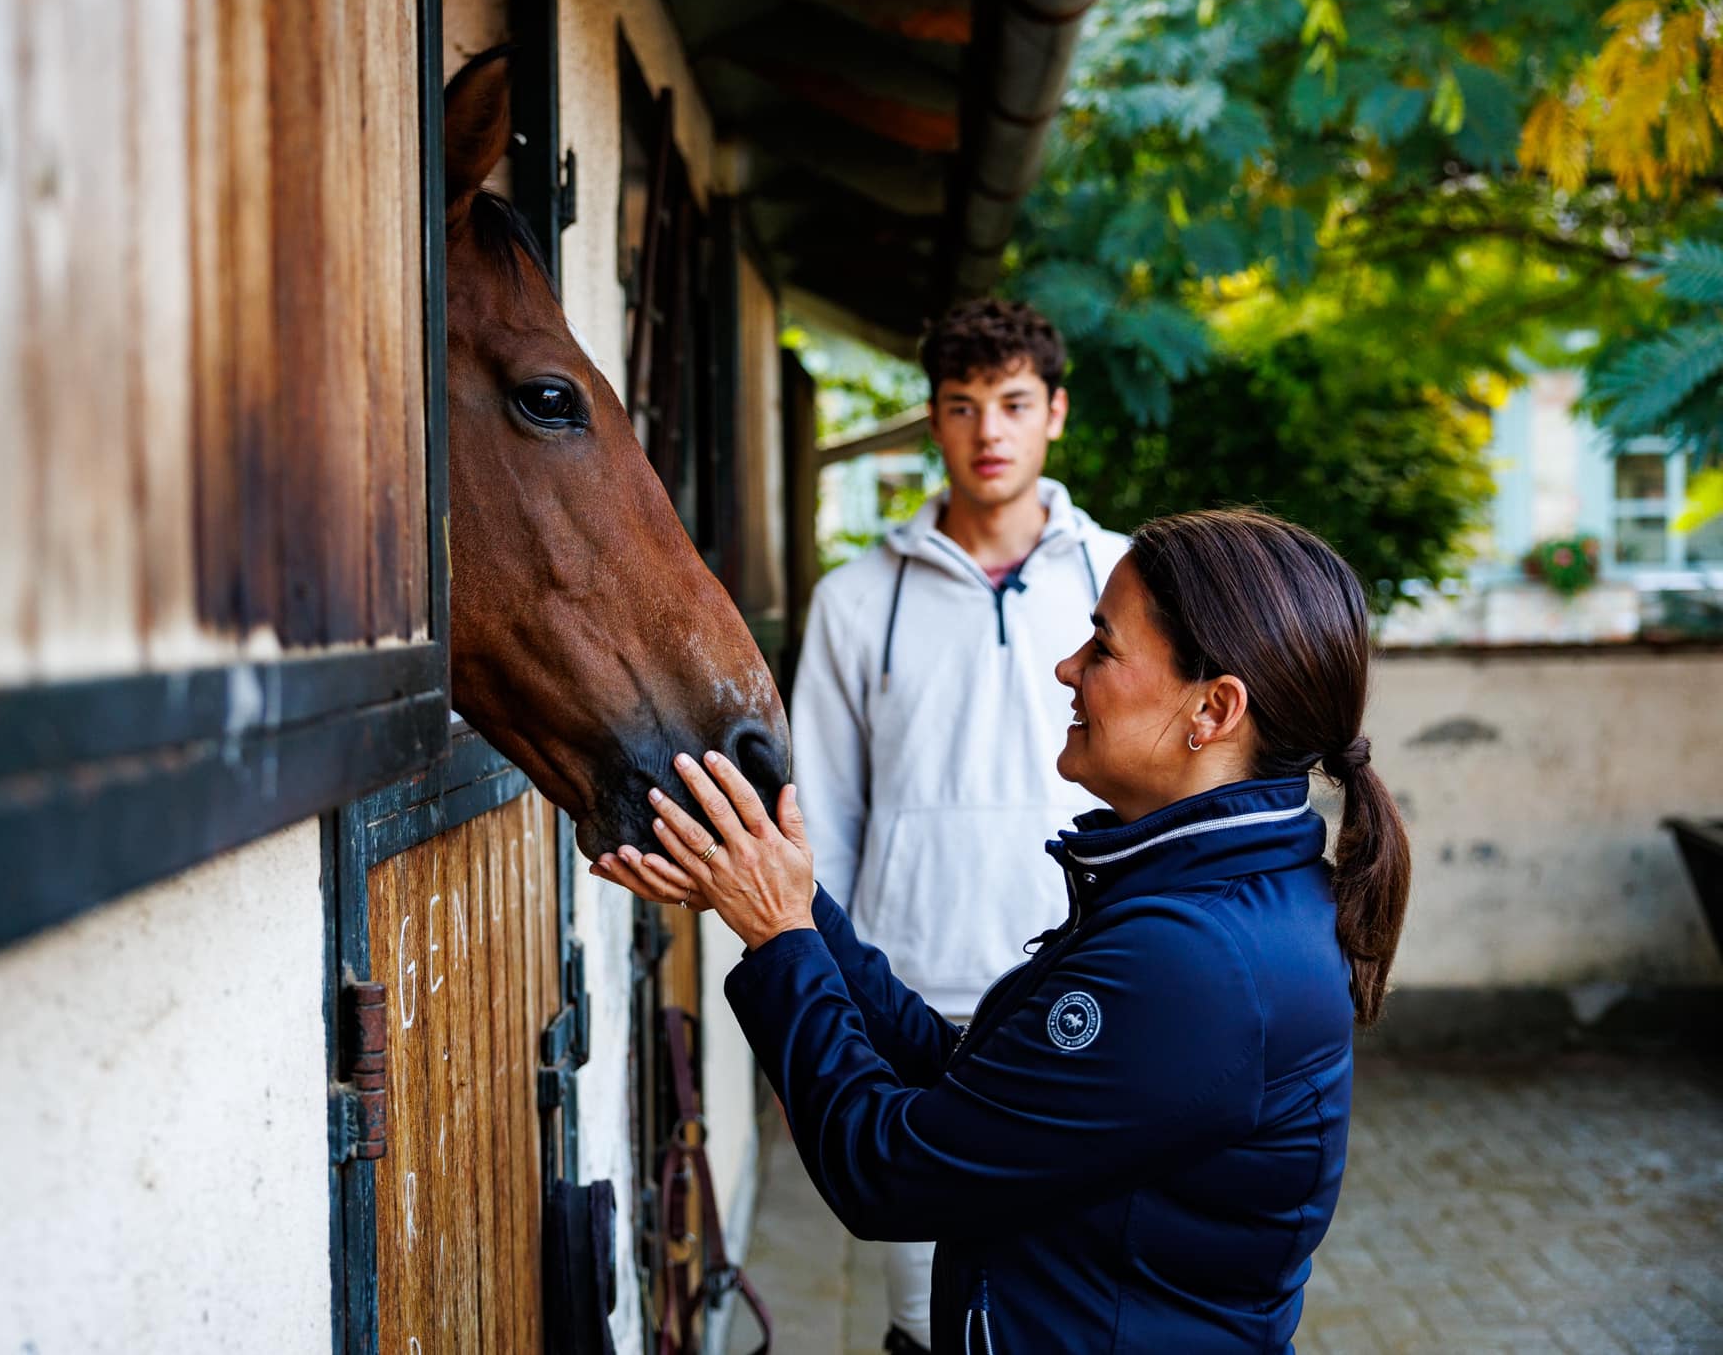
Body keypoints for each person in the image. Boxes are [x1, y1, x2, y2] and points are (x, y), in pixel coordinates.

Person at [592, 508, 1412, 1353]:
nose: (1067, 668)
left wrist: (780, 939)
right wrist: (794, 904)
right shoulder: (1221, 894)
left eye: (1103, 647)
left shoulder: (1196, 959)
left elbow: (889, 1172)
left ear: (1214, 708)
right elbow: (975, 1089)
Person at [789, 298, 1128, 1352]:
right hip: (913, 997)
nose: (989, 431)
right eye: (962, 405)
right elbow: (825, 809)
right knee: (927, 1317)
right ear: (932, 421)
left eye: (1013, 403)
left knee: (1071, 1298)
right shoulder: (855, 598)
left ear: (1054, 414)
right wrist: (838, 987)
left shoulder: (1121, 577)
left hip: (1093, 988)